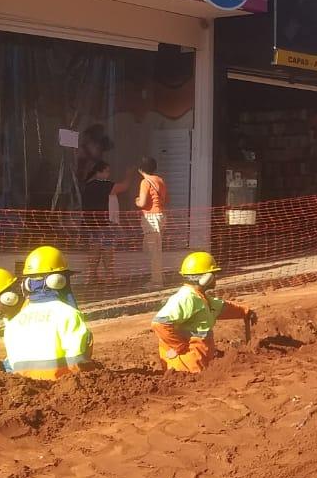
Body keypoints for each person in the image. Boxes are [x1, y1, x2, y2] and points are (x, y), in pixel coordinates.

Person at [5, 246, 93, 380]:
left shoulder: (13, 323)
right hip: (61, 385)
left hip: (25, 387)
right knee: (87, 338)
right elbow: (77, 362)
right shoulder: (68, 314)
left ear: (27, 284)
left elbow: (10, 366)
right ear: (59, 281)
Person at [152, 251, 248, 372]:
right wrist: (179, 346)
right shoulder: (187, 297)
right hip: (185, 367)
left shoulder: (200, 298)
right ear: (206, 278)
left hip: (197, 362)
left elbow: (222, 308)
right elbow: (159, 323)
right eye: (213, 275)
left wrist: (245, 311)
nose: (215, 278)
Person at [81, 161, 130, 285]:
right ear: (99, 172)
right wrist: (129, 175)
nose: (109, 173)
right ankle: (109, 276)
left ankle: (92, 276)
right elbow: (123, 187)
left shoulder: (88, 185)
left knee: (95, 248)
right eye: (107, 171)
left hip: (91, 223)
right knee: (108, 249)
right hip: (105, 223)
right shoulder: (102, 185)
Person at [135, 156, 169, 286]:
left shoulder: (145, 182)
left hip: (151, 217)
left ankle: (156, 281)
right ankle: (160, 275)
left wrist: (137, 201)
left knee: (153, 250)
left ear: (140, 169)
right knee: (153, 248)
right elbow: (166, 199)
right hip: (161, 216)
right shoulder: (160, 180)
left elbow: (142, 202)